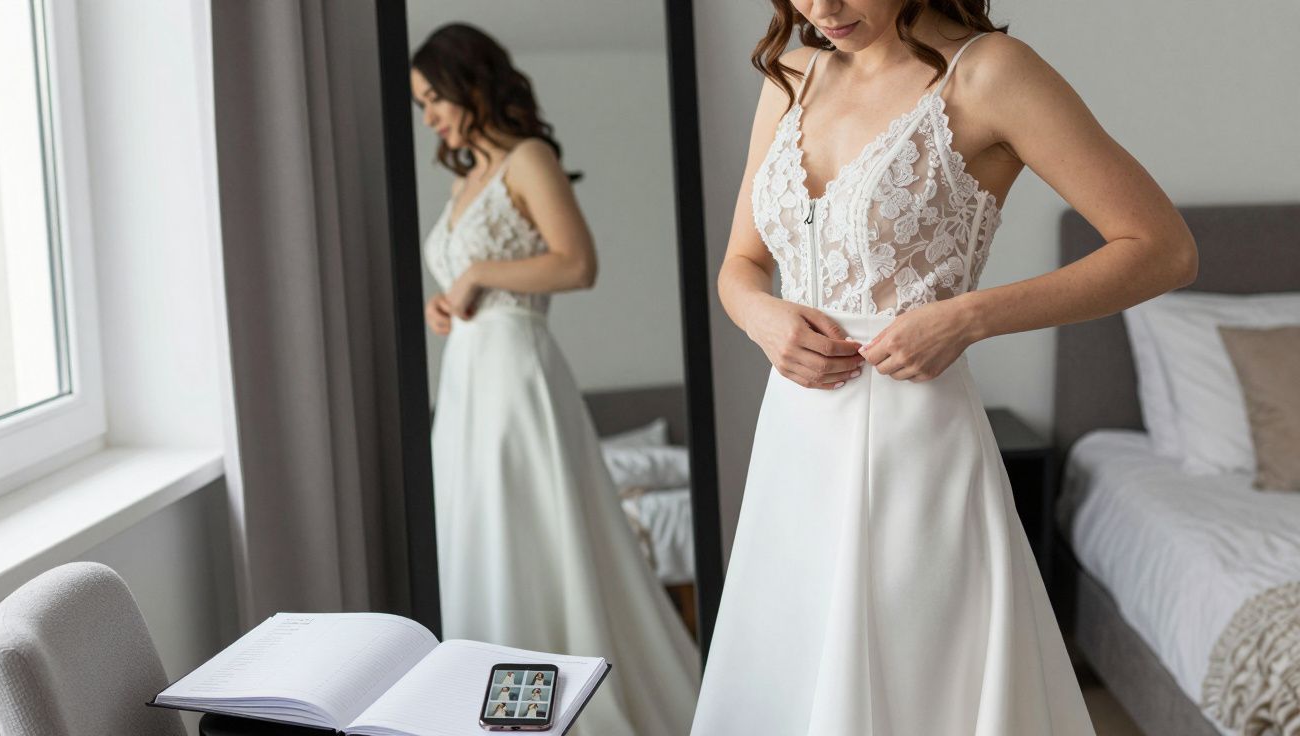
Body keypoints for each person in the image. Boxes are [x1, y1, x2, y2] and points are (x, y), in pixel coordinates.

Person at [690, 1, 1196, 734]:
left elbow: (1163, 247)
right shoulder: (791, 75)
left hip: (915, 443)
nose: (821, 8)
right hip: (794, 447)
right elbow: (741, 265)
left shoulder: (990, 73)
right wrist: (760, 317)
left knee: (918, 686)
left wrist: (970, 316)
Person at [411, 22, 701, 736]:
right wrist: (446, 300)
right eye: (420, 105)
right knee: (478, 531)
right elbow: (468, 276)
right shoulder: (463, 174)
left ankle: (557, 707)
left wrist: (478, 273)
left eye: (432, 98)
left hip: (517, 374)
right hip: (467, 380)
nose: (429, 117)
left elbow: (577, 264)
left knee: (527, 532)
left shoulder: (527, 157)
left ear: (467, 80)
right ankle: (492, 706)